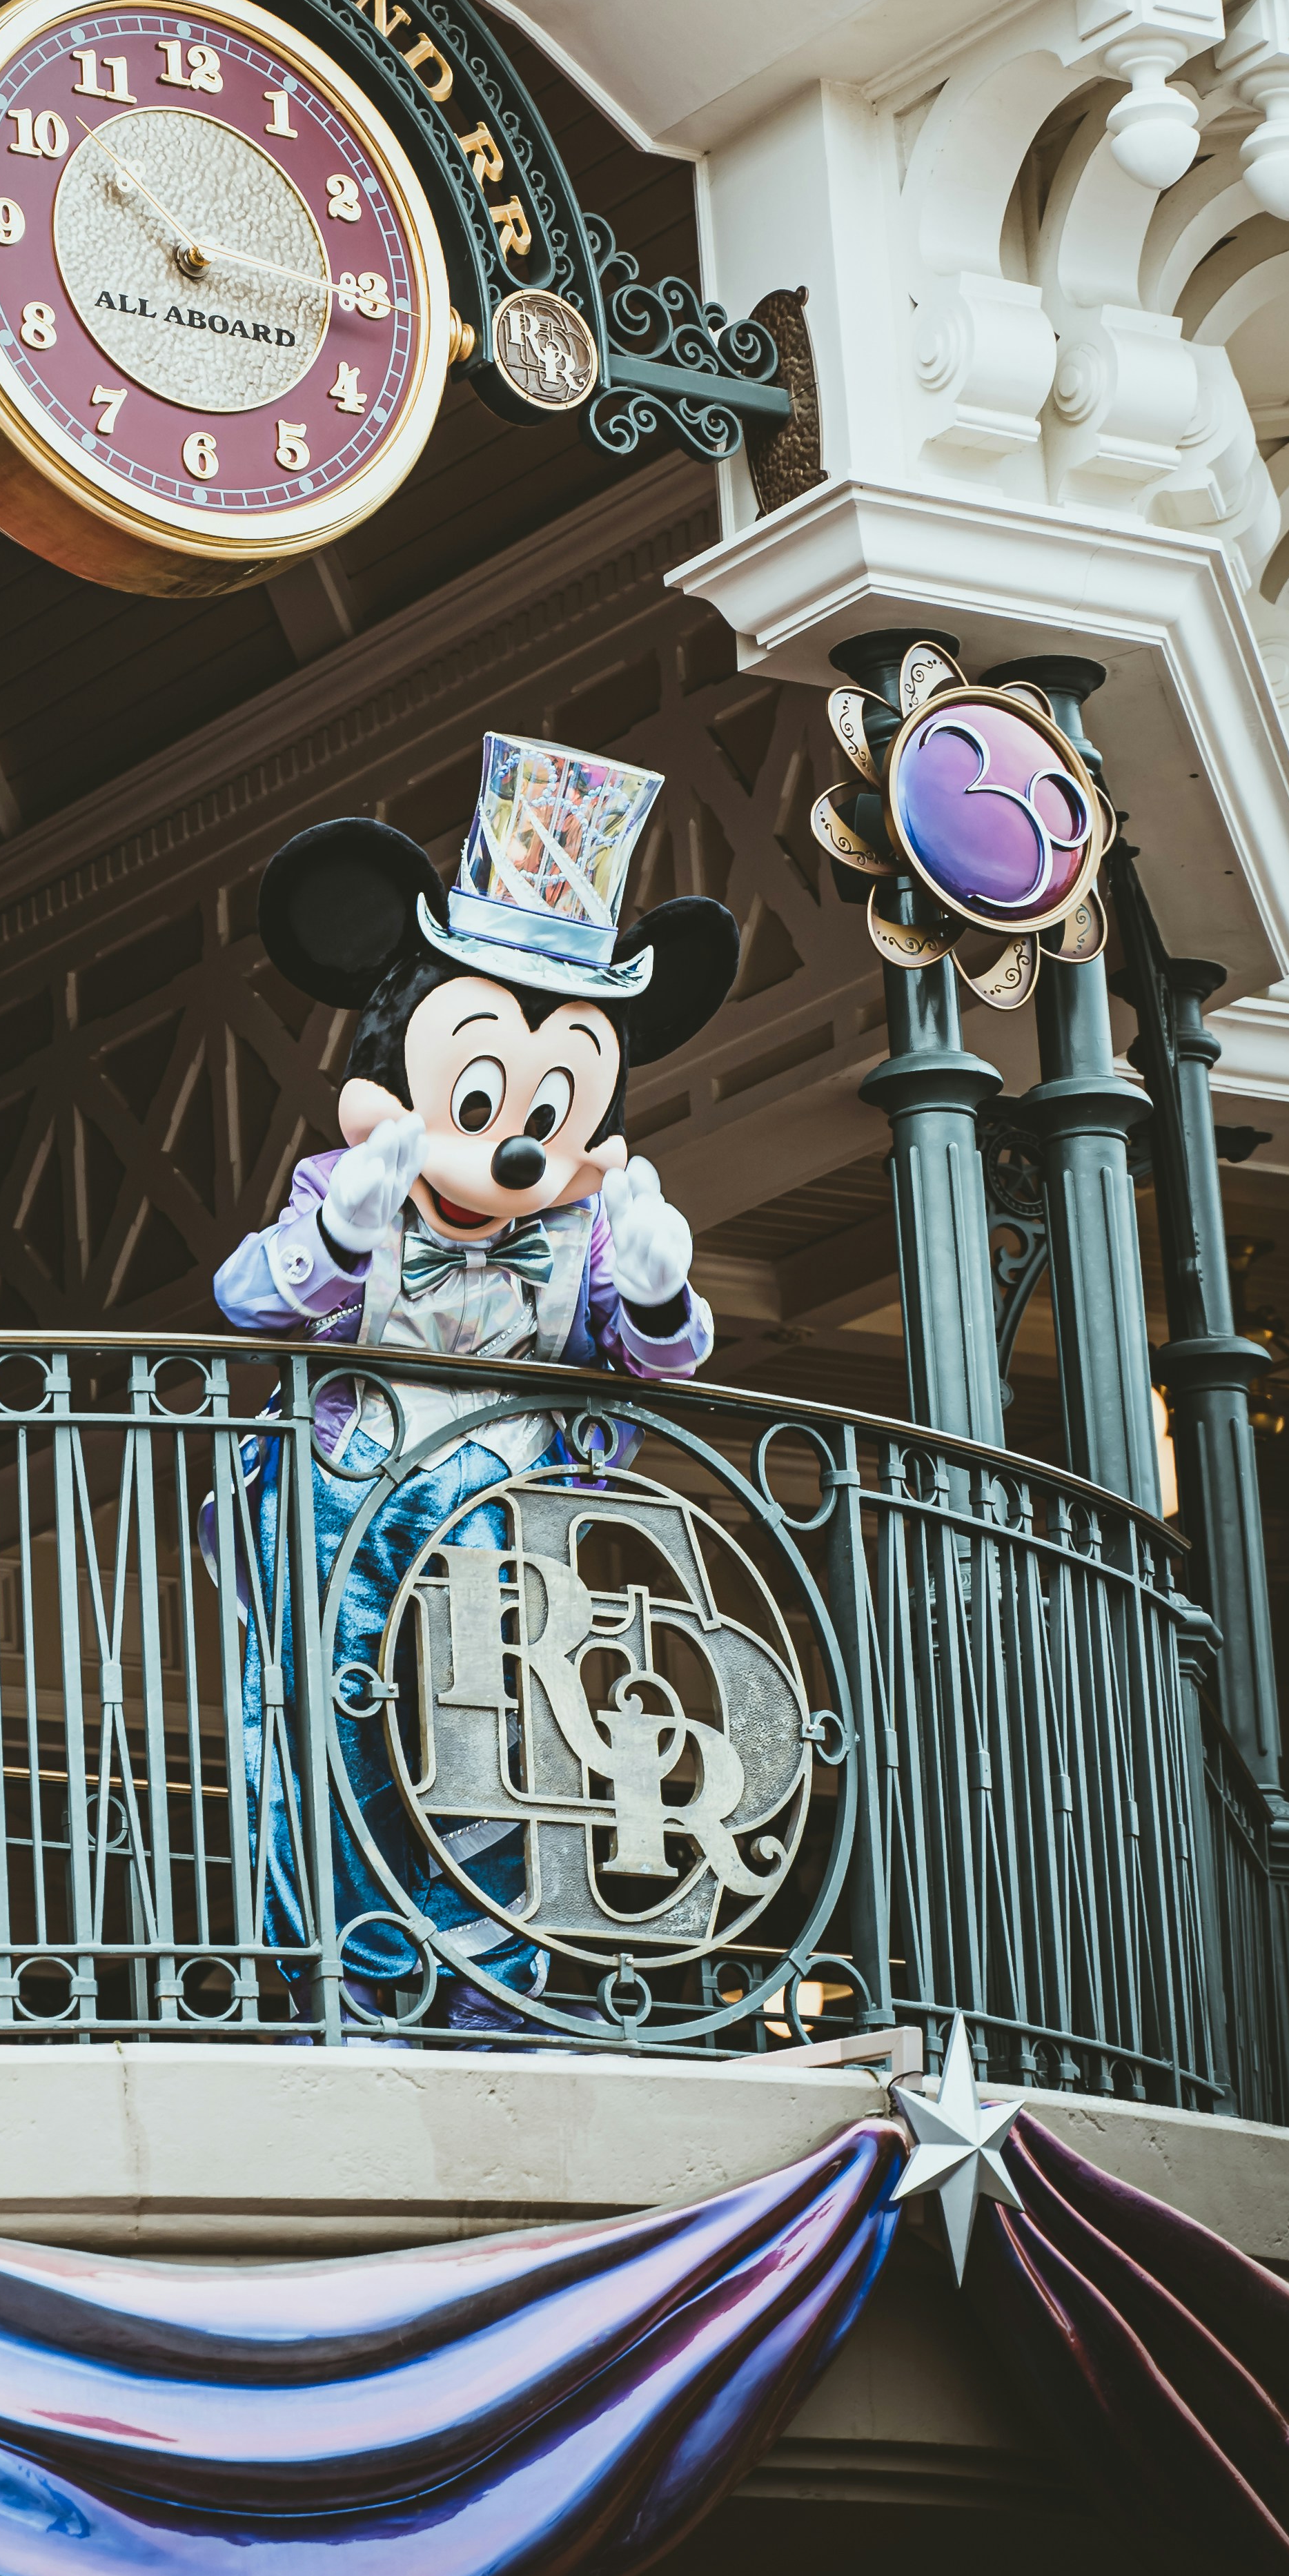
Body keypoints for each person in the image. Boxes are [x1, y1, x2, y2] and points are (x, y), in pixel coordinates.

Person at [210, 731, 739, 2027]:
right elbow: (247, 1299)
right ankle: (348, 1975)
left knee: (500, 1746)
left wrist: (666, 1291)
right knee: (335, 1736)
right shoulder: (352, 1188)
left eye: (547, 1106)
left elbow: (650, 1360)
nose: (514, 1143)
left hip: (506, 1514)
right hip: (343, 1502)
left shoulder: (594, 1233)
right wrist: (346, 1232)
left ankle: (492, 1982)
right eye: (491, 1088)